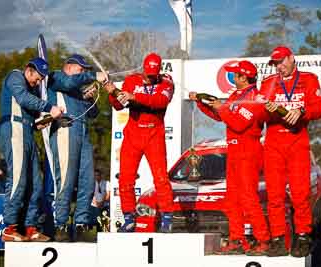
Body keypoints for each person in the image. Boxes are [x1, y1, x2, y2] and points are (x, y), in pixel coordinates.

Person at [189, 60, 270, 255]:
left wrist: (221, 107)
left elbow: (239, 123)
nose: (233, 77)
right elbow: (221, 116)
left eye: (236, 74)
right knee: (232, 199)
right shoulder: (236, 95)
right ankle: (237, 239)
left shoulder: (255, 98)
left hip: (248, 150)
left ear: (244, 77)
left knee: (248, 198)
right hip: (233, 150)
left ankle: (263, 240)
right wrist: (201, 103)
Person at [259, 46, 321, 257]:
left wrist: (302, 110)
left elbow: (319, 108)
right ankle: (278, 238)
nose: (279, 67)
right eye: (275, 64)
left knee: (300, 193)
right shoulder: (269, 83)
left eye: (282, 62)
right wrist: (266, 111)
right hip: (273, 143)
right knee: (275, 195)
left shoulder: (309, 79)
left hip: (297, 141)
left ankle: (304, 236)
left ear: (291, 58)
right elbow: (259, 114)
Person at [103, 53, 174, 232]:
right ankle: (128, 218)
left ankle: (167, 218)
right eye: (148, 75)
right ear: (143, 69)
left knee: (160, 178)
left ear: (159, 71)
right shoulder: (131, 80)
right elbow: (119, 105)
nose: (150, 79)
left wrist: (135, 97)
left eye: (153, 76)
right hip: (133, 135)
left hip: (154, 136)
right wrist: (113, 93)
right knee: (125, 179)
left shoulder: (166, 82)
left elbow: (161, 101)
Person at [0, 57, 64, 242]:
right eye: (37, 78)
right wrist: (49, 107)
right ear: (29, 70)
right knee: (18, 178)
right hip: (14, 128)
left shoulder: (31, 87)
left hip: (27, 131)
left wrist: (47, 119)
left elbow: (34, 116)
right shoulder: (15, 76)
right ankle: (9, 227)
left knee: (36, 183)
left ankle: (30, 227)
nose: (37, 82)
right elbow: (23, 98)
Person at [48, 54, 107, 242]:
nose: (83, 72)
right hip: (65, 130)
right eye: (80, 69)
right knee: (66, 179)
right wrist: (92, 76)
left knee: (88, 181)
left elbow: (93, 113)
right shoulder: (57, 77)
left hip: (83, 132)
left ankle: (81, 223)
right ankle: (61, 225)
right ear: (69, 67)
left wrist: (89, 98)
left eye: (85, 70)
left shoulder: (77, 89)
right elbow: (68, 84)